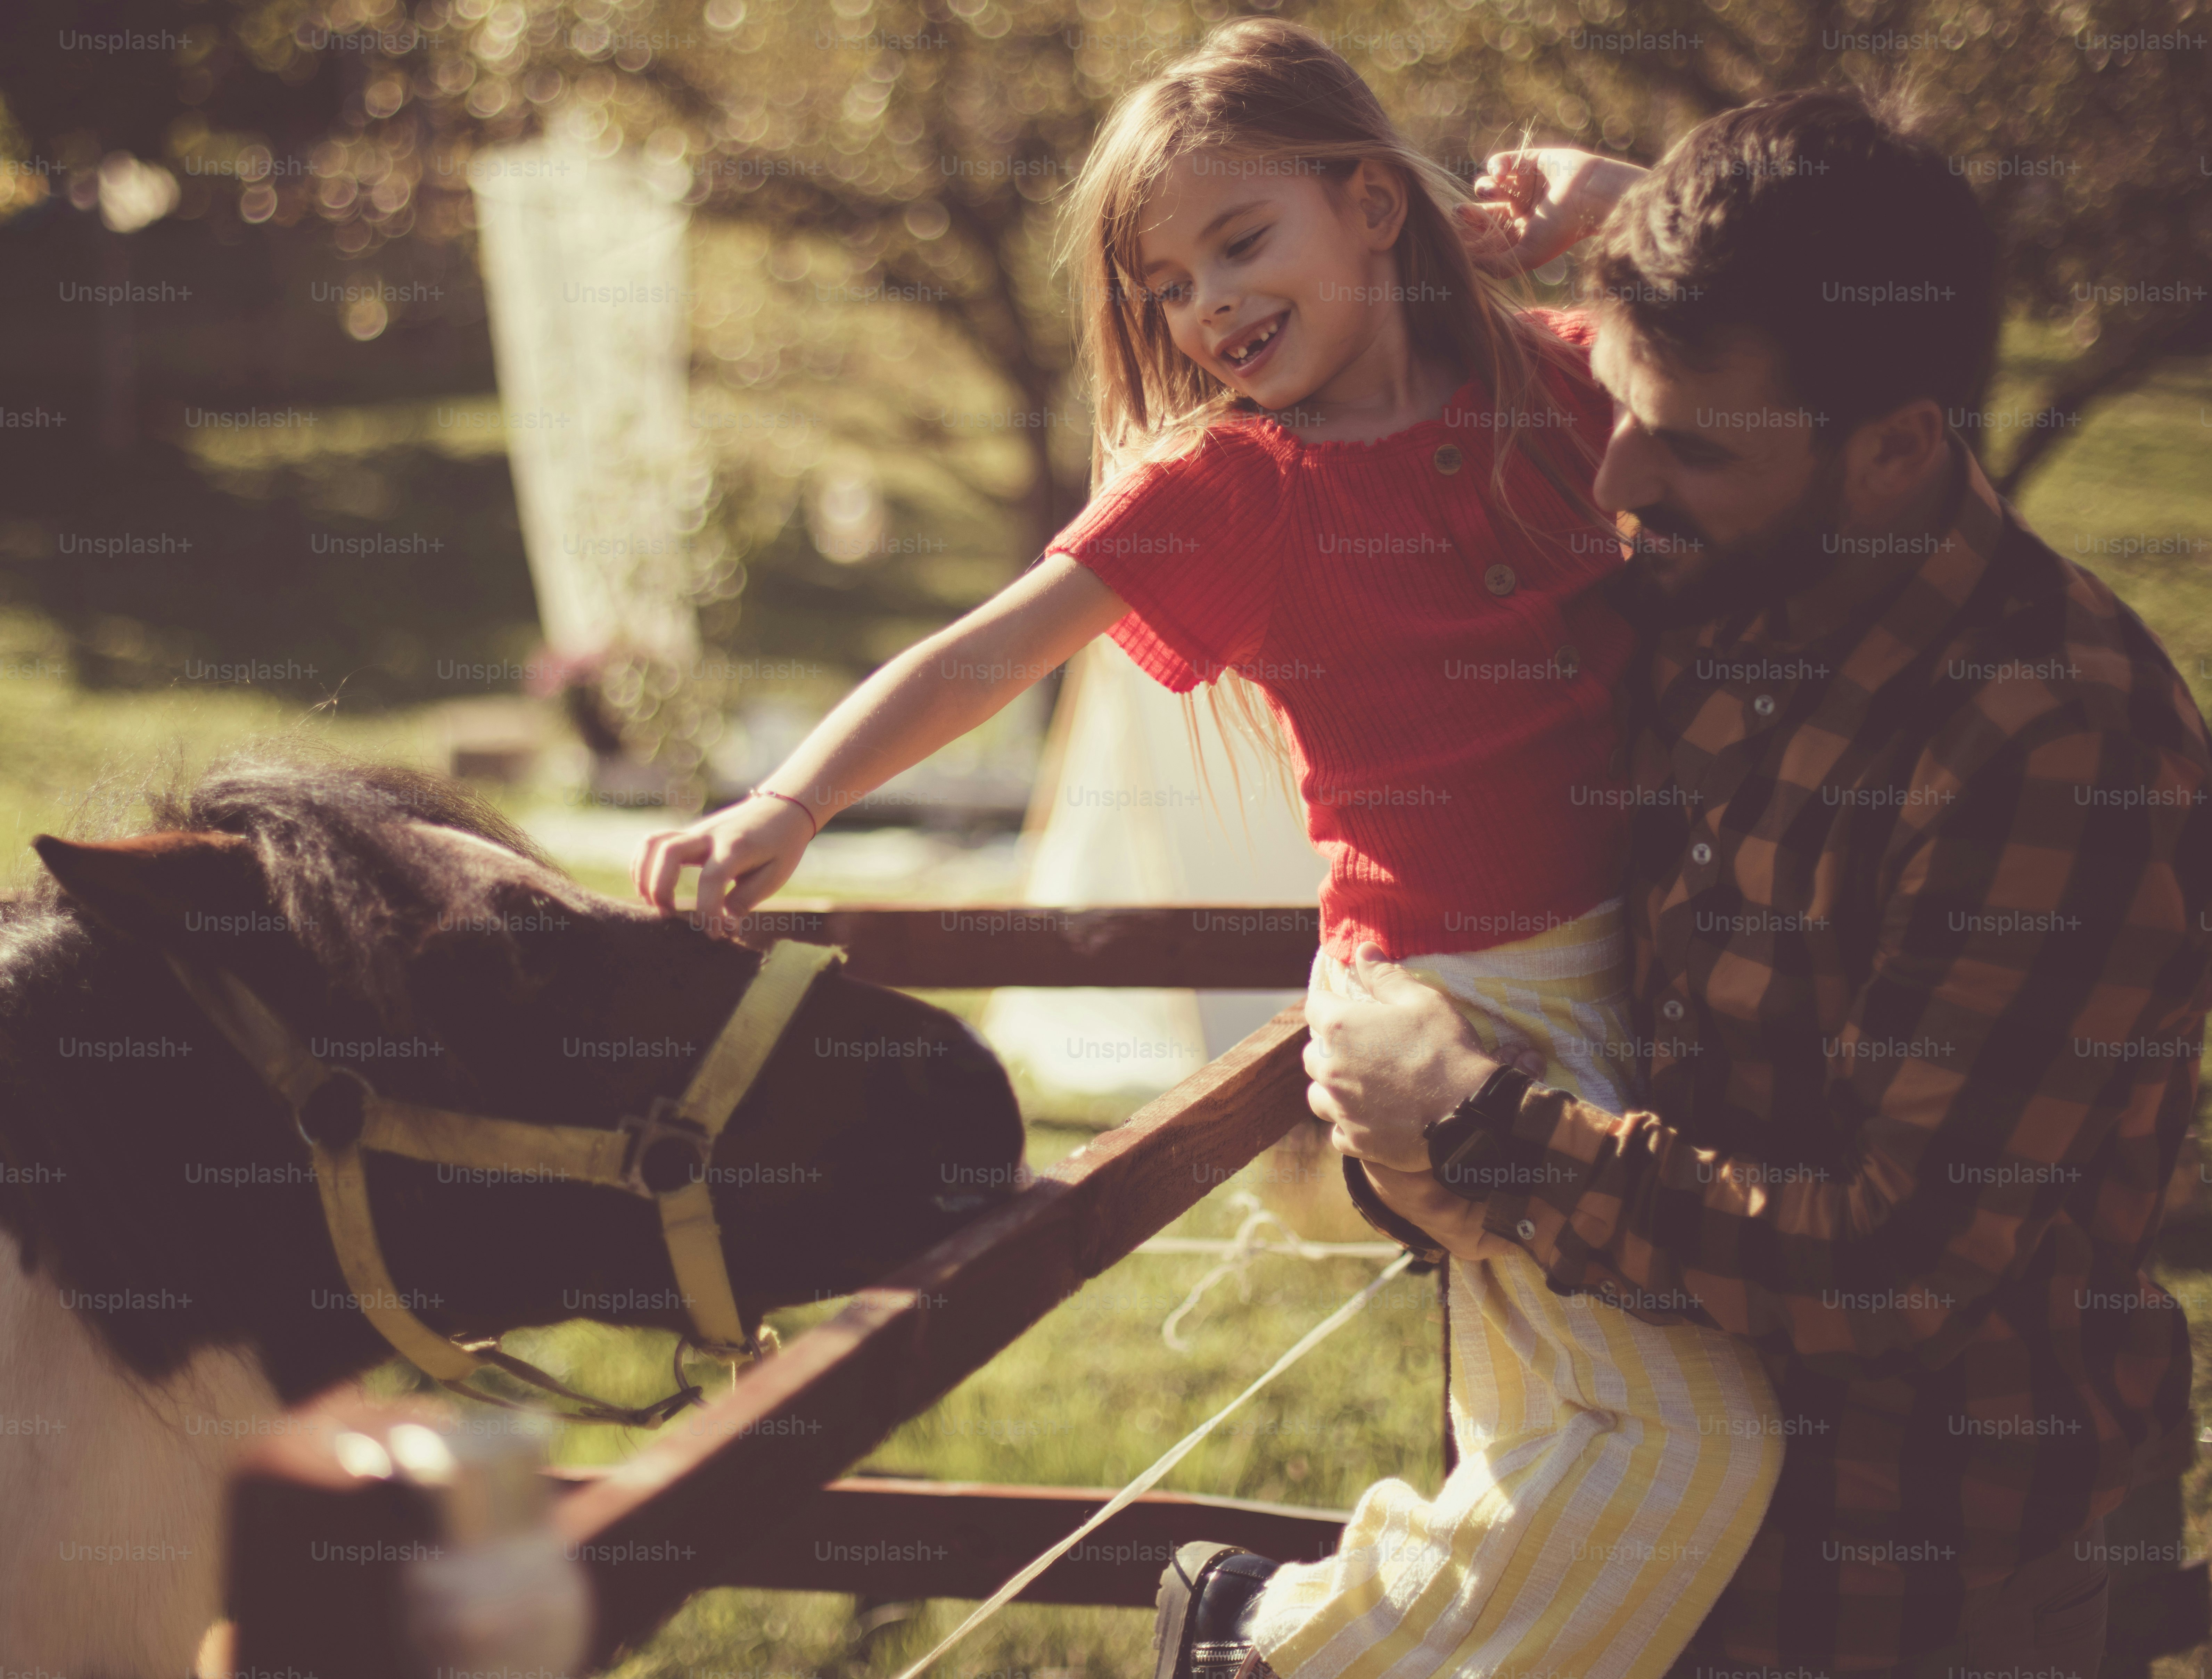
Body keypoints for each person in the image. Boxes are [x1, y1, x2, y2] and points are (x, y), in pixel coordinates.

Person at [635, 20, 1787, 1679]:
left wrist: (1617, 196)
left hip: (1658, 974)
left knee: (1568, 1444)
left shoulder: (1554, 373)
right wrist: (789, 803)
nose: (1206, 308)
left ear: (1375, 204)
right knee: (1697, 1447)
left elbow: (1770, 298)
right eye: (1166, 283)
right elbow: (978, 656)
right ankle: (1272, 1646)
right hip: (1463, 1009)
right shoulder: (1234, 492)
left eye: (1241, 243)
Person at [1303, 89, 2212, 1679]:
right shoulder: (1717, 593)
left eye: (1696, 449)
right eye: (1617, 404)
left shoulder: (2054, 745)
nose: (1616, 487)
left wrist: (1482, 1127)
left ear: (1895, 448)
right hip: (1629, 1519)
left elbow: (1894, 1265)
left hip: (1912, 1586)